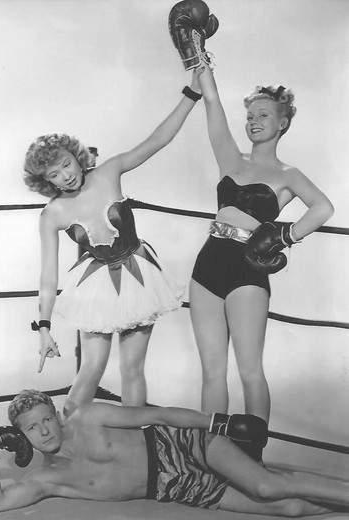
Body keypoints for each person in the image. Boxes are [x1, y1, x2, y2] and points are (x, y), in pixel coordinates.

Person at [169, 2, 334, 424]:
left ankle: (253, 453)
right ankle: (213, 451)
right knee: (211, 371)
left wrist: (284, 236)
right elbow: (211, 101)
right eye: (250, 116)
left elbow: (323, 208)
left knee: (249, 370)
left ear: (283, 123)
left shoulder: (288, 174)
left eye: (263, 115)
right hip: (208, 265)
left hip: (247, 268)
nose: (253, 121)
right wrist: (195, 50)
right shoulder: (231, 158)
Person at [23, 69, 206, 414]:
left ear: (76, 155)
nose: (66, 175)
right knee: (91, 369)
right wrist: (44, 328)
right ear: (45, 181)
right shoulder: (52, 214)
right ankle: (67, 440)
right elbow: (48, 277)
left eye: (67, 164)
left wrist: (192, 94)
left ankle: (135, 440)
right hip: (95, 286)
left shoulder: (109, 171)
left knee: (132, 369)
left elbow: (157, 140)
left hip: (139, 276)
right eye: (54, 174)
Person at [0, 388, 349, 516]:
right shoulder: (45, 480)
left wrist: (218, 423)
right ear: (20, 436)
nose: (44, 431)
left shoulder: (89, 416)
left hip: (180, 445)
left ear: (57, 416)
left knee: (267, 487)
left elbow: (158, 415)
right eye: (32, 427)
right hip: (173, 486)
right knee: (290, 509)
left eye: (47, 419)